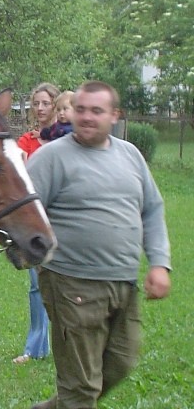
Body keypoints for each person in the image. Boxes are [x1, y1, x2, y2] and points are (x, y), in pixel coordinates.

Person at [28, 81, 171, 409]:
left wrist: (159, 263)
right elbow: (22, 213)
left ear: (114, 115)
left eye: (96, 111)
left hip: (123, 284)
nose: (86, 117)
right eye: (80, 109)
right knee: (81, 388)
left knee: (120, 362)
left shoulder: (130, 155)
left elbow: (151, 208)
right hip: (72, 285)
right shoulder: (51, 158)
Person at [13, 82, 60, 364]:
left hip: (64, 219)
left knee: (68, 286)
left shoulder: (67, 140)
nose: (40, 109)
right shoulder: (27, 142)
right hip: (35, 222)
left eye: (46, 103)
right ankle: (35, 348)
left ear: (55, 105)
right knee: (37, 285)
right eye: (37, 104)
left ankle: (70, 343)